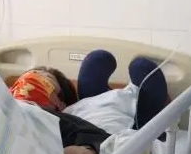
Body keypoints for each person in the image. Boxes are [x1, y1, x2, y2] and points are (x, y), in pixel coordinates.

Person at [9, 50, 171, 138]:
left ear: (61, 104)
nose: (29, 82)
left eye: (45, 80)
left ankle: (144, 123)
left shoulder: (69, 121)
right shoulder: (3, 106)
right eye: (29, 76)